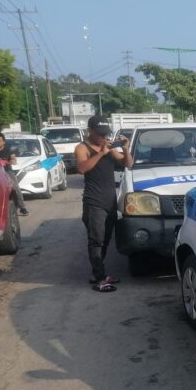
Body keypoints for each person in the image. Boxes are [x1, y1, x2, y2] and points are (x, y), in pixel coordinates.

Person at [74, 115, 132, 292]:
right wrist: (100, 153)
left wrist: (125, 149)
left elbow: (128, 164)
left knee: (106, 239)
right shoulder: (82, 148)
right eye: (99, 134)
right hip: (94, 201)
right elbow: (82, 168)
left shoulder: (107, 147)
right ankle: (100, 279)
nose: (103, 137)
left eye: (105, 134)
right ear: (90, 131)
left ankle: (97, 273)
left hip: (110, 201)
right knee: (96, 241)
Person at [0, 133, 29, 216]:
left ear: (4, 142)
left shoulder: (9, 150)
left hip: (7, 171)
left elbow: (13, 160)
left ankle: (22, 207)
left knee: (15, 188)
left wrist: (8, 162)